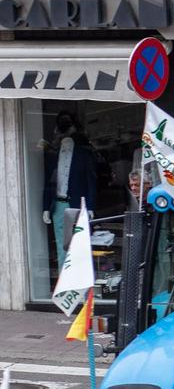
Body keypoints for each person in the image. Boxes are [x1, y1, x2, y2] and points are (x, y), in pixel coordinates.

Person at [40, 113, 98, 276]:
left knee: (80, 243)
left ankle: (81, 279)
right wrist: (46, 207)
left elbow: (91, 181)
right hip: (58, 204)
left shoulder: (84, 154)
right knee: (61, 244)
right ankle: (64, 280)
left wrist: (91, 206)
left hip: (77, 204)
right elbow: (47, 183)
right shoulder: (52, 155)